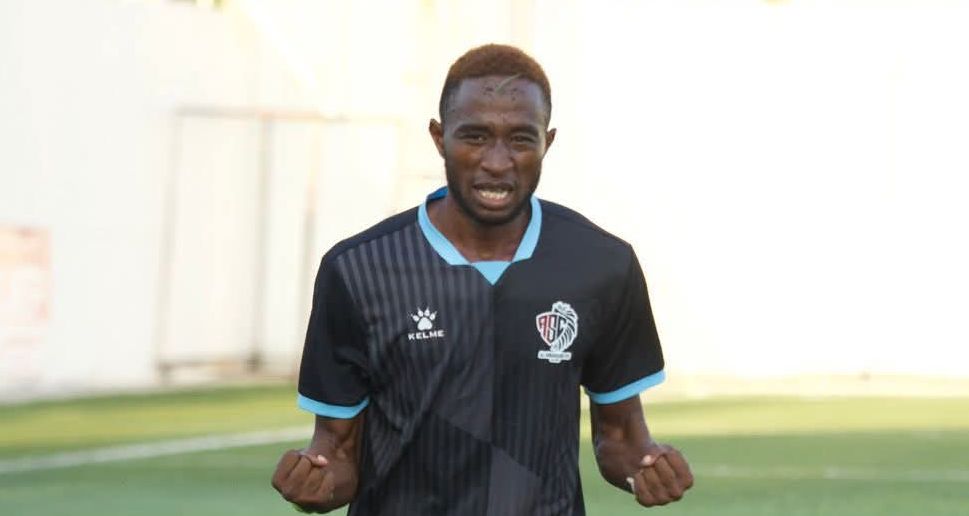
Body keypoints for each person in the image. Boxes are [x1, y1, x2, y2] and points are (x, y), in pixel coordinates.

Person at [271, 43, 693, 515]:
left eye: (521, 139)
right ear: (439, 138)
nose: (497, 161)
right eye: (474, 137)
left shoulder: (602, 264)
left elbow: (621, 438)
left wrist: (646, 468)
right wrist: (316, 481)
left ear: (548, 142)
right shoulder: (357, 269)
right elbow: (338, 451)